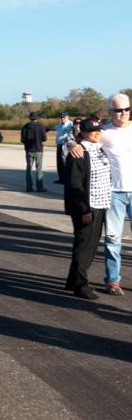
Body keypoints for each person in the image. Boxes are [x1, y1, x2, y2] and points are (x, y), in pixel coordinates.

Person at [68, 92, 132, 295]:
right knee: (113, 239)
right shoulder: (104, 132)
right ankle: (112, 279)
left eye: (127, 109)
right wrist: (72, 144)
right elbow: (83, 139)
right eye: (118, 110)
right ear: (110, 111)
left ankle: (77, 280)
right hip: (113, 195)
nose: (123, 113)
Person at [63, 120, 112, 300]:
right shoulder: (79, 153)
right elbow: (74, 184)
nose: (97, 133)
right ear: (83, 133)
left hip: (102, 204)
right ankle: (80, 285)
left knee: (89, 244)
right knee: (86, 246)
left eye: (99, 130)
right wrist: (85, 209)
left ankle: (72, 281)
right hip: (87, 207)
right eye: (92, 131)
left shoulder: (100, 149)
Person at [20, 111, 48, 192]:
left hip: (29, 150)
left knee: (29, 168)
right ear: (36, 118)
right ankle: (39, 186)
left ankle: (29, 186)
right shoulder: (40, 127)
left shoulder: (25, 127)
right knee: (39, 168)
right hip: (38, 149)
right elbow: (44, 139)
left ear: (30, 118)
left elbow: (22, 140)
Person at [54, 111, 72, 185]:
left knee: (65, 162)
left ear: (67, 117)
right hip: (59, 146)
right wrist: (47, 128)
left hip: (66, 146)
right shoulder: (60, 125)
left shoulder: (70, 125)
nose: (62, 118)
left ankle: (66, 178)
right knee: (59, 162)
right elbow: (55, 127)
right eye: (61, 117)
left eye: (64, 117)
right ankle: (60, 178)